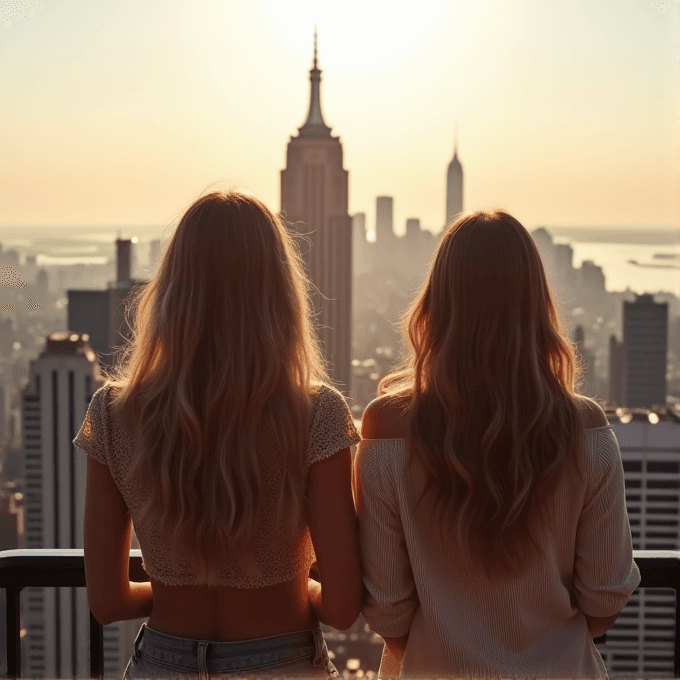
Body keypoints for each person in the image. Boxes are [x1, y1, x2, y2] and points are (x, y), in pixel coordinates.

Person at [74, 191, 362, 679]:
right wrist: (299, 589)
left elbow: (106, 601)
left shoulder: (112, 413)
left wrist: (168, 591)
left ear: (172, 289)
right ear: (279, 293)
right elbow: (342, 608)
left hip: (161, 664)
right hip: (284, 663)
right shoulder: (318, 415)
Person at [354, 209, 640, 679]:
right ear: (536, 305)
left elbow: (387, 611)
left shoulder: (387, 427)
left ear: (436, 303)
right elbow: (604, 601)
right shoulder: (587, 430)